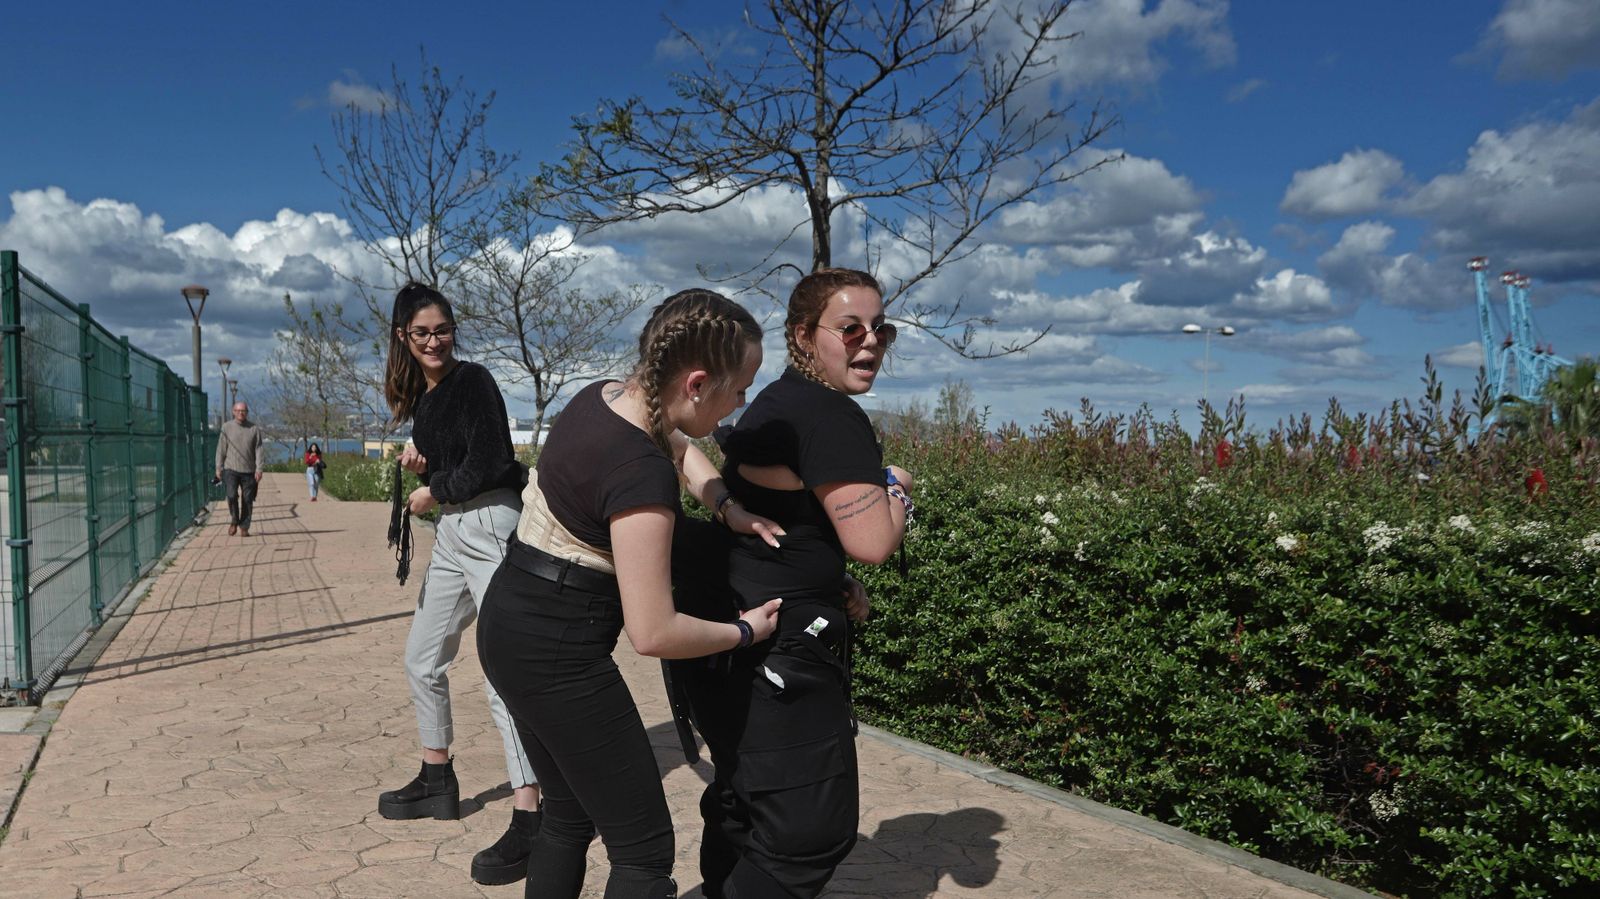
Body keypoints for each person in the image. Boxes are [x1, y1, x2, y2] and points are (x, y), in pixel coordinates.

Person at [477, 288, 785, 899]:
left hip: (508, 624)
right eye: (739, 388)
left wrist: (726, 506)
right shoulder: (638, 476)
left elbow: (674, 442)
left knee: (567, 813)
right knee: (643, 850)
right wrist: (744, 631)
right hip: (559, 654)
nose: (740, 405)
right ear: (696, 383)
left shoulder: (606, 396)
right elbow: (654, 632)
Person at [681, 267, 912, 898]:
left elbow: (801, 523)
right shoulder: (830, 416)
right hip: (787, 653)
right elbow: (873, 543)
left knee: (745, 799)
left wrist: (826, 576)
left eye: (880, 329)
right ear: (803, 335)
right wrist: (898, 489)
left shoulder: (774, 402)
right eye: (851, 328)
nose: (870, 342)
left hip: (736, 639)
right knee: (808, 835)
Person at [373, 282, 543, 887]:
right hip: (453, 532)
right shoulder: (428, 396)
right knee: (423, 656)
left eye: (442, 329)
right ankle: (436, 777)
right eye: (421, 333)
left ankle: (531, 817)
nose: (434, 340)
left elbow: (494, 460)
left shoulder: (473, 381)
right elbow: (455, 463)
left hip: (492, 524)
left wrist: (434, 488)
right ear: (402, 337)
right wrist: (427, 470)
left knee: (501, 670)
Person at [215, 401, 265, 537]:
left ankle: (244, 526)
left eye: (243, 411)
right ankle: (234, 520)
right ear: (233, 412)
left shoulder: (254, 429)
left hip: (249, 470)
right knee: (231, 495)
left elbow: (259, 449)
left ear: (247, 413)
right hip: (231, 469)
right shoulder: (227, 427)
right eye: (238, 410)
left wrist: (259, 469)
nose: (241, 413)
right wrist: (218, 467)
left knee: (247, 499)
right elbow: (221, 449)